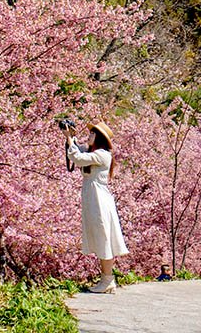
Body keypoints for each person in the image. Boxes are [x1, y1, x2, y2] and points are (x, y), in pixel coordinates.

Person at [64, 121, 128, 293]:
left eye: (92, 134)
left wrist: (70, 139)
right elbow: (79, 150)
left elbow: (77, 157)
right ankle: (106, 279)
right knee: (100, 237)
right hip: (93, 198)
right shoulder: (96, 152)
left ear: (98, 138)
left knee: (103, 237)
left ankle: (108, 280)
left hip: (99, 200)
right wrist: (71, 136)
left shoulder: (102, 154)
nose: (89, 137)